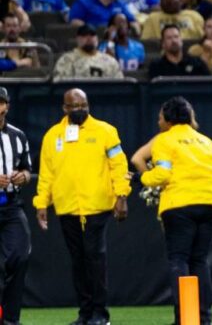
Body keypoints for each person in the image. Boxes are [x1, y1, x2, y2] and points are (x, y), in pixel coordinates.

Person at [33, 88, 130, 325]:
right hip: (67, 207)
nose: (79, 110)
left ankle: (100, 314)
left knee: (95, 257)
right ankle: (85, 313)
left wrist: (122, 196)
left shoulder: (105, 131)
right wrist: (42, 202)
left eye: (82, 105)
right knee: (78, 261)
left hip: (97, 207)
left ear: (88, 104)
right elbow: (47, 174)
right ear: (64, 108)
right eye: (73, 106)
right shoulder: (52, 136)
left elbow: (119, 166)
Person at [140, 97, 212, 325]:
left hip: (180, 204)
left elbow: (161, 174)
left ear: (168, 119)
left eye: (160, 117)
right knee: (200, 260)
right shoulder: (205, 141)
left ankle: (185, 318)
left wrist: (143, 178)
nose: (158, 121)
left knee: (178, 260)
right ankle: (204, 318)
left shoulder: (164, 140)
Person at [0, 87, 32, 325]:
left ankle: (11, 319)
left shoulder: (17, 135)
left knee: (20, 256)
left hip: (11, 205)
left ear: (7, 106)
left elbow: (27, 169)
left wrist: (23, 176)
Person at [54, 24, 123, 79]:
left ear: (97, 39)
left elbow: (120, 84)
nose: (89, 38)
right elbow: (60, 83)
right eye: (84, 35)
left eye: (92, 35)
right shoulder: (67, 59)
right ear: (77, 39)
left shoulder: (109, 61)